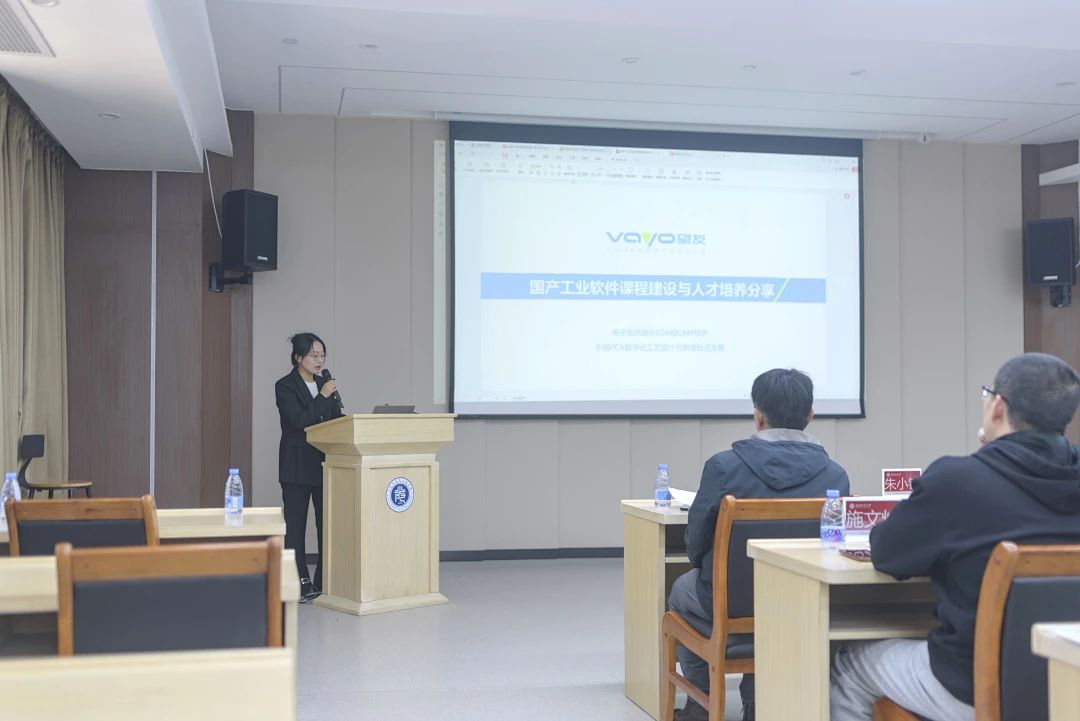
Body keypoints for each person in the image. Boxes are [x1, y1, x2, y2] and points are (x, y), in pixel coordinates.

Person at [830, 353, 1080, 721]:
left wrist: (985, 458)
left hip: (974, 687)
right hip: (1070, 685)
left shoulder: (958, 480)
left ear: (997, 406)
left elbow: (886, 552)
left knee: (850, 665)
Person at [670, 369, 850, 721]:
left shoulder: (723, 467)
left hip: (730, 601)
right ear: (810, 414)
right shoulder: (835, 475)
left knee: (680, 591)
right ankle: (757, 705)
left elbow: (696, 543)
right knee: (766, 610)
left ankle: (700, 706)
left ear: (758, 415)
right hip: (801, 600)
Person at [276, 332, 344, 603]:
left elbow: (335, 419)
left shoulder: (324, 384)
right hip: (296, 467)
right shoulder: (285, 386)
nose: (319, 360)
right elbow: (299, 421)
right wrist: (324, 396)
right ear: (298, 357)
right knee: (296, 527)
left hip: (325, 464)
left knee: (326, 524)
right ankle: (299, 582)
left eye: (322, 355)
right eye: (313, 355)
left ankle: (324, 579)